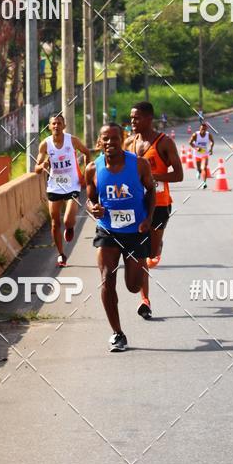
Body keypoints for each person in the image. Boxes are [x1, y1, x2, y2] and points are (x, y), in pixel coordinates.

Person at [86, 123, 155, 352]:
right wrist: (93, 208)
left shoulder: (139, 165)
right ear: (99, 141)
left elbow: (151, 191)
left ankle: (137, 266)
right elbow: (90, 198)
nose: (110, 143)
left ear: (121, 139)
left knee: (133, 287)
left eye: (114, 139)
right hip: (108, 230)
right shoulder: (92, 169)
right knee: (107, 277)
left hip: (135, 232)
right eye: (105, 139)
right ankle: (117, 333)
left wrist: (148, 219)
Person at [126, 101, 184, 319]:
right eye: (131, 118)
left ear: (149, 118)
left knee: (151, 252)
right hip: (137, 206)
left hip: (159, 204)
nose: (133, 121)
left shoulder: (164, 142)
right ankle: (145, 301)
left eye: (137, 118)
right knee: (141, 256)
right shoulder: (129, 143)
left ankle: (157, 245)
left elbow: (178, 175)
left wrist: (151, 177)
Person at [35, 114, 92, 268]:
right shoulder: (45, 145)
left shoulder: (71, 140)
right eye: (53, 123)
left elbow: (86, 152)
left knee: (67, 220)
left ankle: (70, 227)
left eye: (59, 123)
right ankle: (61, 255)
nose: (56, 126)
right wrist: (43, 166)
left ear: (64, 125)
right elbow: (36, 169)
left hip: (72, 184)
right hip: (54, 185)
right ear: (49, 126)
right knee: (54, 223)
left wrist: (86, 172)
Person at [189, 121, 214, 190]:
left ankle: (204, 183)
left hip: (204, 153)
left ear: (206, 130)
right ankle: (198, 171)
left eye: (204, 129)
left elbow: (212, 141)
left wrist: (211, 148)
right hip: (197, 154)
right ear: (199, 129)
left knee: (204, 168)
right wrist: (196, 147)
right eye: (202, 129)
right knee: (199, 169)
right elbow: (190, 142)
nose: (203, 130)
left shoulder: (208, 135)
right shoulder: (195, 135)